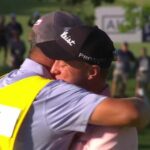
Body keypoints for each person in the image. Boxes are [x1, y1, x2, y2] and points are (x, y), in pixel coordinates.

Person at [0, 11, 150, 150]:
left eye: (63, 61)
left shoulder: (5, 82)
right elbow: (132, 112)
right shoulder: (56, 95)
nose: (54, 68)